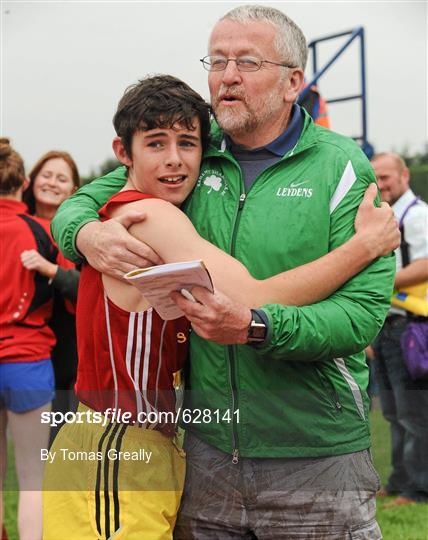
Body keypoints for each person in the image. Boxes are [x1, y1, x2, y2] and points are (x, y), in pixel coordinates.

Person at [51, 6, 399, 538]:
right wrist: (84, 233)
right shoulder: (194, 148)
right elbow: (100, 193)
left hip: (313, 453)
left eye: (247, 61)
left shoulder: (340, 165)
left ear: (293, 82)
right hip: (205, 451)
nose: (226, 76)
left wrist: (258, 325)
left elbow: (360, 317)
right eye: (217, 61)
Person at [0, 138, 56, 540]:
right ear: (23, 182)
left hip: (25, 360)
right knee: (33, 480)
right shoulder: (39, 231)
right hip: (28, 362)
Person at [371, 152, 428, 506]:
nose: (380, 185)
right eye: (375, 178)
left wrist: (378, 282)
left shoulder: (418, 214)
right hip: (389, 325)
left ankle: (418, 489)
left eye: (386, 177)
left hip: (412, 328)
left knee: (415, 413)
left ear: (405, 175)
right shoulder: (384, 216)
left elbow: (425, 266)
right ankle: (398, 481)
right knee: (392, 411)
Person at [22, 151, 81, 443]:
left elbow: (87, 289)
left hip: (65, 348)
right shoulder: (13, 224)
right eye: (47, 175)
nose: (52, 183)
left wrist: (51, 270)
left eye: (61, 179)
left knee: (58, 438)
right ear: (31, 181)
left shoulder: (81, 234)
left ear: (73, 190)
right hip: (19, 345)